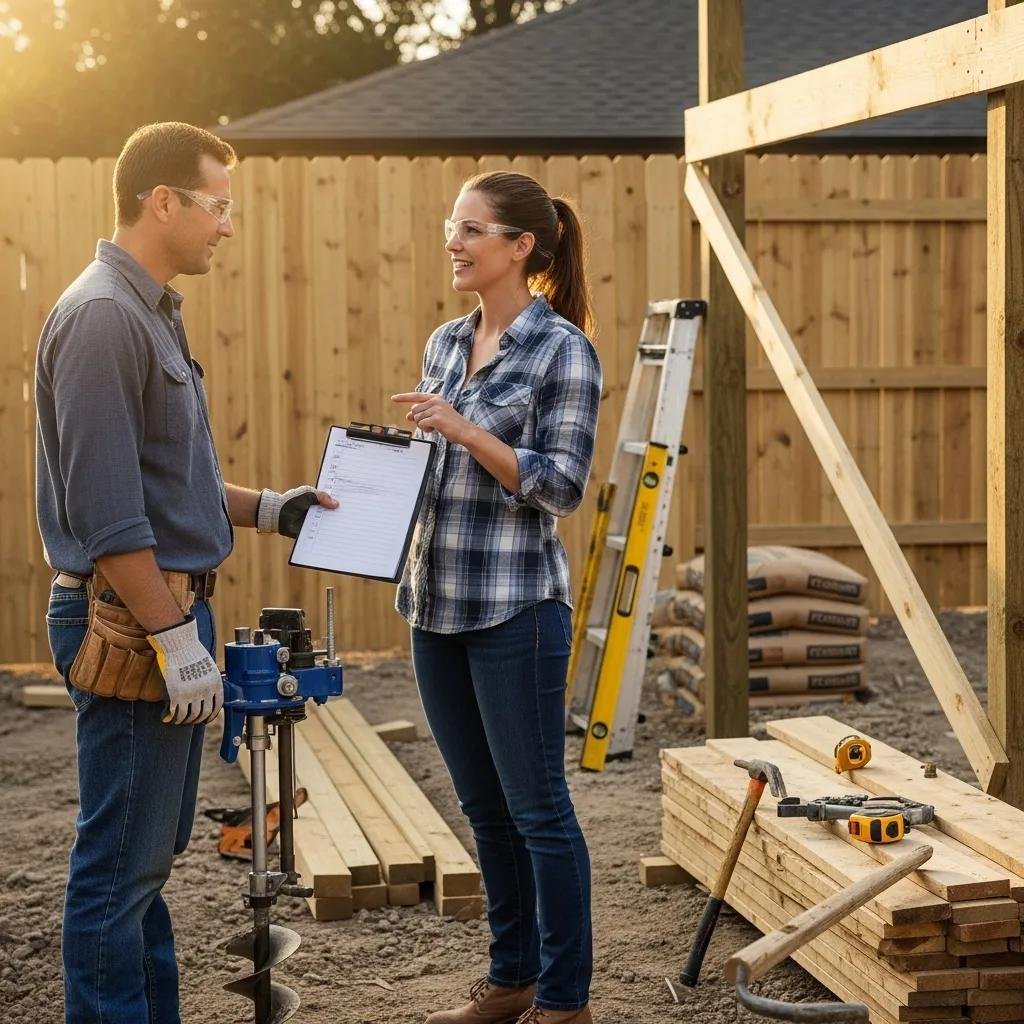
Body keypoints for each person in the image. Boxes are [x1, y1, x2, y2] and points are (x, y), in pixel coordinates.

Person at [34, 121, 336, 1024]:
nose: (227, 225)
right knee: (117, 867)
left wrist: (270, 508)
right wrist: (172, 638)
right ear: (161, 202)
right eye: (218, 205)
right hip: (129, 620)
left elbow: (172, 481)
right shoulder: (101, 318)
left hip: (159, 615)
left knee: (146, 863)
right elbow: (109, 514)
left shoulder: (150, 311)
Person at [392, 171, 602, 1024]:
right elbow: (436, 472)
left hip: (516, 609)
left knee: (538, 811)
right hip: (434, 603)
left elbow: (561, 486)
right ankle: (511, 979)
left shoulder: (563, 350)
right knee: (483, 809)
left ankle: (564, 999)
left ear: (522, 246)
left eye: (472, 229)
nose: (455, 241)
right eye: (453, 225)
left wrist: (465, 429)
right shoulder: (447, 341)